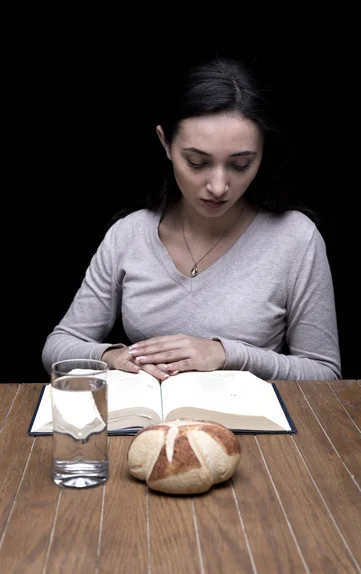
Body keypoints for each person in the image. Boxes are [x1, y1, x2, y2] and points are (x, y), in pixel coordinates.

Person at [42, 56, 341, 381]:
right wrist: (115, 357)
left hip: (255, 429)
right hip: (147, 424)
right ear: (165, 143)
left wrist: (226, 354)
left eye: (240, 165)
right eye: (197, 162)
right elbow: (58, 347)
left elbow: (324, 373)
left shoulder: (295, 238)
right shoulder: (129, 235)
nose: (218, 186)